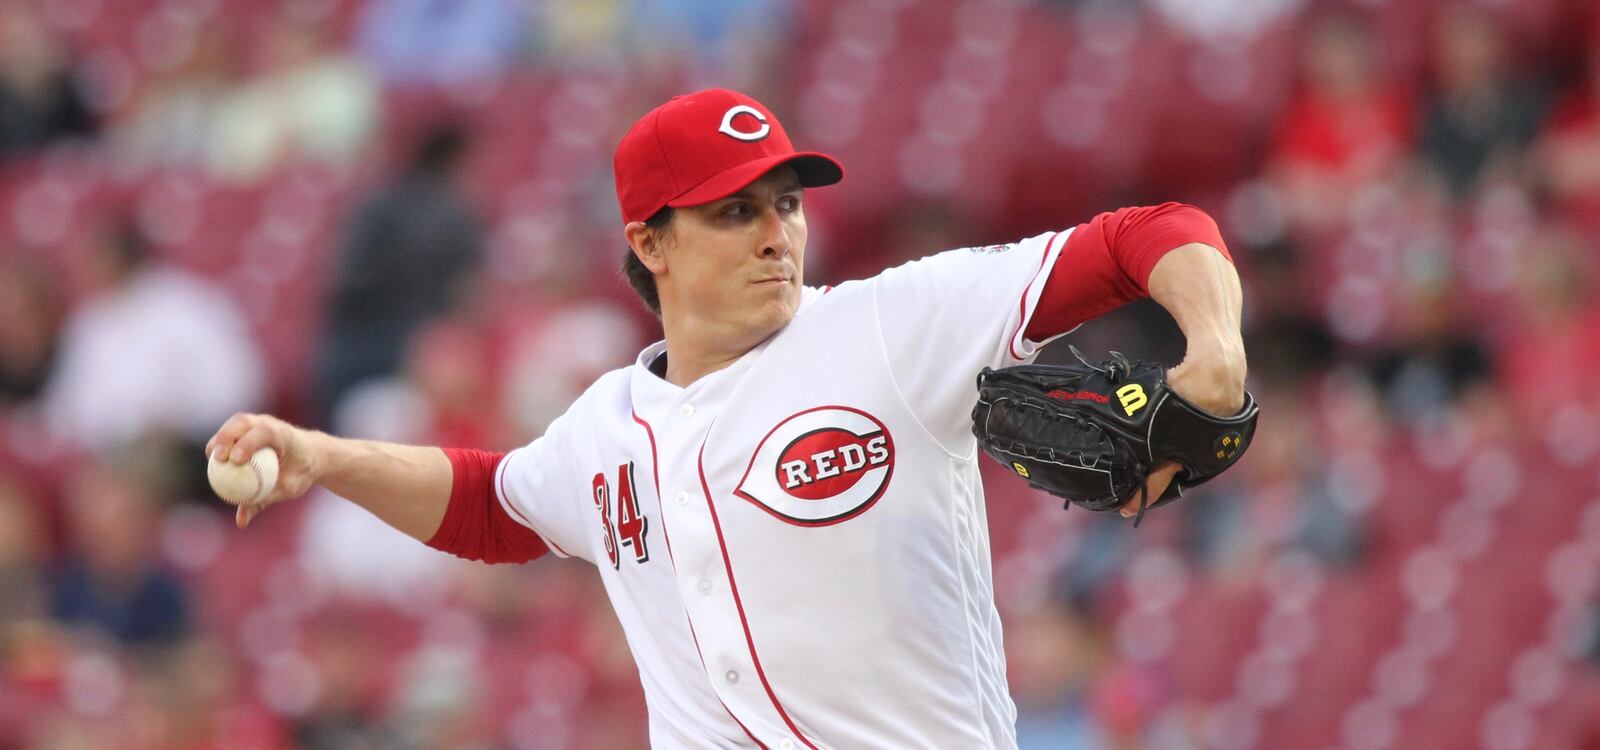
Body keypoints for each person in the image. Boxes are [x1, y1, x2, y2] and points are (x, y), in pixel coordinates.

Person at [209, 88, 1247, 748]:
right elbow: (495, 508)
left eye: (784, 203)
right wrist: (324, 456)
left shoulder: (888, 326)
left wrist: (1212, 351)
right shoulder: (605, 424)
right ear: (648, 244)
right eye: (733, 210)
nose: (774, 234)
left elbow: (1149, 234)